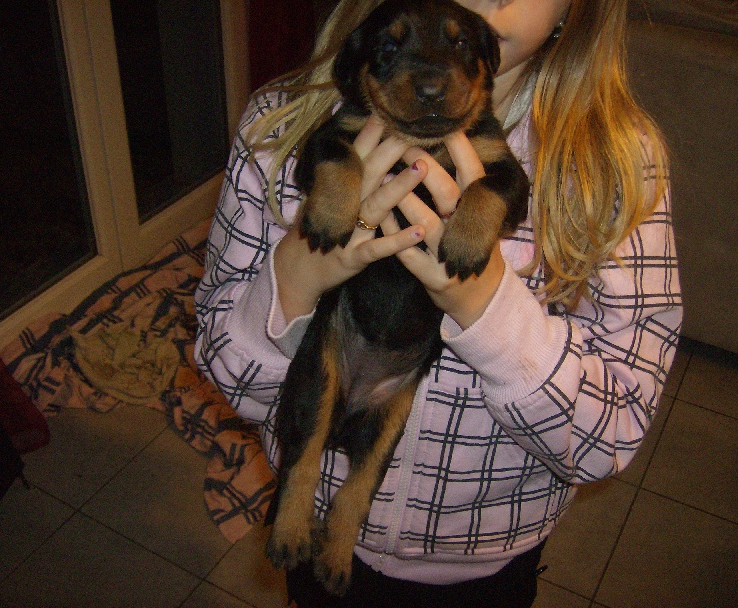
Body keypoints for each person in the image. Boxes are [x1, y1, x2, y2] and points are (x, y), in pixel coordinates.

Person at [194, 0, 683, 606]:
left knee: (390, 416)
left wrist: (485, 299)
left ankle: (346, 520)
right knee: (317, 385)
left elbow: (614, 432)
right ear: (361, 66)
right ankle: (300, 500)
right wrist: (295, 273)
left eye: (456, 48)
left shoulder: (616, 163)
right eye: (399, 51)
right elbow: (226, 367)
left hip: (488, 560)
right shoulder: (282, 123)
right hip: (341, 337)